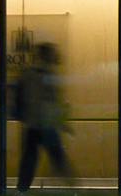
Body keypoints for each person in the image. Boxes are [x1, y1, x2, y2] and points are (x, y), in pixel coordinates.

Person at [14, 39, 76, 187]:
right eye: (52, 53)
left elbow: (21, 99)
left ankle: (20, 195)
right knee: (58, 158)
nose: (56, 56)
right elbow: (50, 101)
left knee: (29, 162)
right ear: (47, 55)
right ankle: (73, 191)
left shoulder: (28, 73)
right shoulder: (46, 74)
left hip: (32, 124)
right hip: (45, 124)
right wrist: (61, 122)